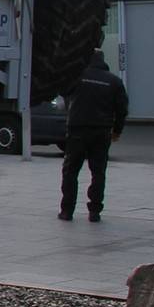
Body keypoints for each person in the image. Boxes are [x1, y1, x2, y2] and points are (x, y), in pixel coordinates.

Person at [59, 52, 128, 222]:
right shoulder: (114, 81)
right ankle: (95, 211)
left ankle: (67, 211)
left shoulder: (77, 77)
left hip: (77, 130)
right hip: (101, 131)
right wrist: (117, 131)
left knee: (70, 171)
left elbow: (63, 91)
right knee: (98, 172)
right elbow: (122, 109)